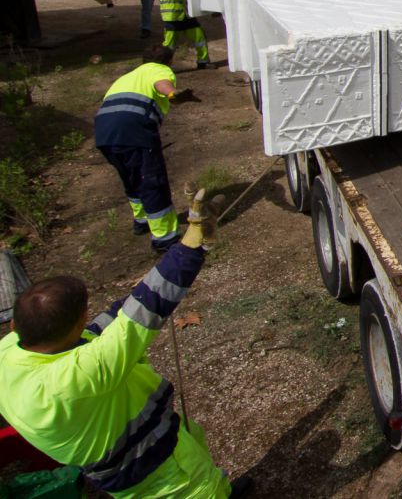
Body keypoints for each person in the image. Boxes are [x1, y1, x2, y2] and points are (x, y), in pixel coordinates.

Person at [0, 203, 248, 498]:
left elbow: (116, 319)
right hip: (156, 472)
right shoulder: (74, 377)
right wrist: (190, 247)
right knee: (201, 490)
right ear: (76, 327)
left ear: (15, 325)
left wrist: (166, 268)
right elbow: (140, 315)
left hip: (141, 455)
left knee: (204, 468)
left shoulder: (11, 350)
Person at [94, 45, 182, 251]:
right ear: (169, 61)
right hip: (134, 131)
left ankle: (141, 221)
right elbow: (162, 83)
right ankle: (165, 238)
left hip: (104, 132)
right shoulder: (158, 69)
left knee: (131, 177)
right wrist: (173, 94)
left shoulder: (127, 77)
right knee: (151, 181)